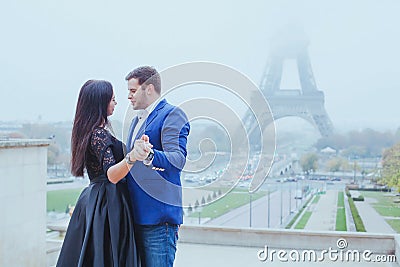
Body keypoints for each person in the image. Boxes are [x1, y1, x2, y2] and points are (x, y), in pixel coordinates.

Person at [57, 80, 145, 267]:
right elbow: (112, 175)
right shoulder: (98, 134)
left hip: (97, 200)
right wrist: (133, 156)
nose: (115, 103)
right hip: (108, 203)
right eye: (112, 99)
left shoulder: (91, 131)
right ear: (100, 102)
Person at [125, 66, 190, 267]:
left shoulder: (172, 114)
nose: (128, 96)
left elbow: (177, 159)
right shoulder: (137, 120)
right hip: (136, 216)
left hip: (158, 221)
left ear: (149, 89)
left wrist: (150, 154)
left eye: (133, 90)